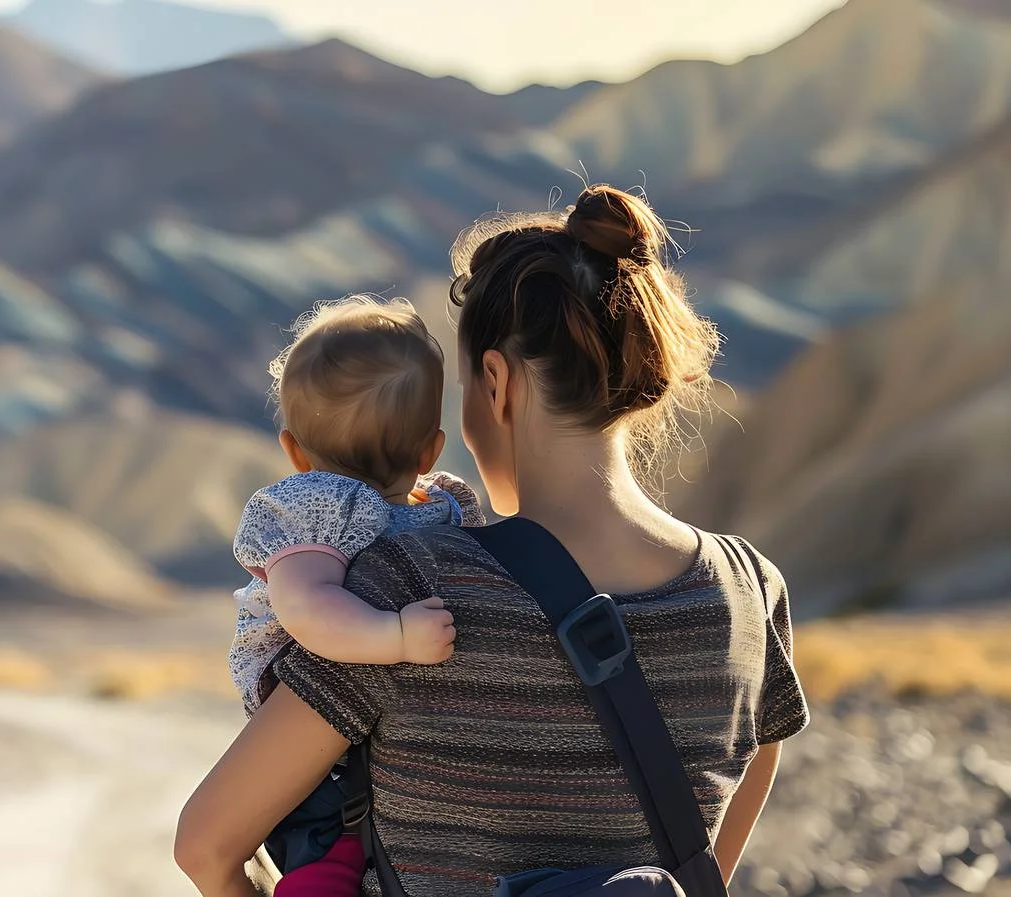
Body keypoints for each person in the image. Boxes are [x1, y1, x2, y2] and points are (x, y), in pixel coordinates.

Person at [175, 184, 810, 897]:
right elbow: (711, 855)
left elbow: (206, 846)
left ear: (498, 383)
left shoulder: (408, 589)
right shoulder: (752, 592)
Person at [225, 296, 488, 897]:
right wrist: (394, 635)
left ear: (293, 449)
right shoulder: (320, 506)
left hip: (399, 726)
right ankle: (322, 872)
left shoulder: (443, 507)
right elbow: (308, 608)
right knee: (324, 827)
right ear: (430, 448)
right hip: (299, 708)